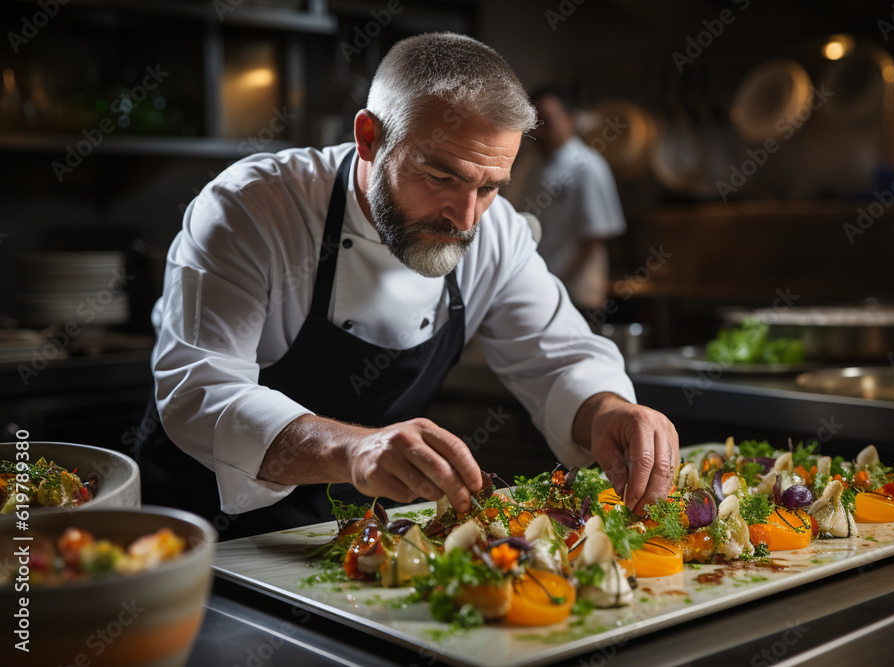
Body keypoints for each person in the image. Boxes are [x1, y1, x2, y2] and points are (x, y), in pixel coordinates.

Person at [136, 33, 677, 540]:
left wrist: (608, 409)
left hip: (350, 541)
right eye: (441, 177)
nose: (465, 219)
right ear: (369, 137)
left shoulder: (497, 234)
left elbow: (559, 360)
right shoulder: (252, 209)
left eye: (489, 187)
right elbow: (200, 393)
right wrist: (354, 449)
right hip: (201, 538)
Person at [512, 87, 627, 313]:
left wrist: (554, 279)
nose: (538, 132)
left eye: (546, 123)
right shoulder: (527, 165)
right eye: (534, 124)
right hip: (531, 291)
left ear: (570, 120)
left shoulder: (588, 165)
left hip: (574, 294)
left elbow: (594, 234)